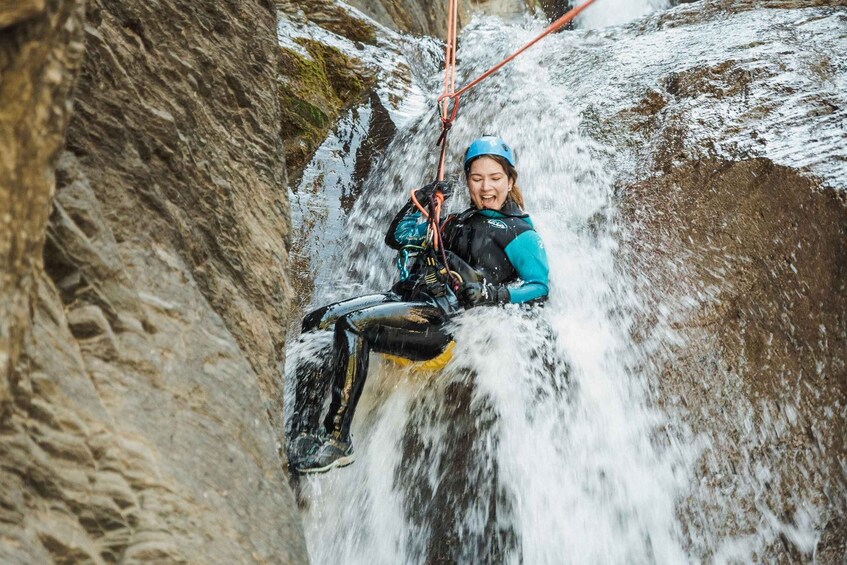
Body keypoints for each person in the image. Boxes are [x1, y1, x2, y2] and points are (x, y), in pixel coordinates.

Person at [287, 135, 549, 473]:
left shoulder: (518, 231)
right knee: (316, 321)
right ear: (468, 180)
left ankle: (337, 439)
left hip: (442, 320)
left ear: (510, 181)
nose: (486, 187)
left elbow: (540, 287)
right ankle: (301, 430)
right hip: (407, 297)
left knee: (354, 326)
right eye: (477, 178)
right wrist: (419, 202)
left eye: (495, 178)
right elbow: (397, 238)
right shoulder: (455, 220)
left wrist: (492, 294)